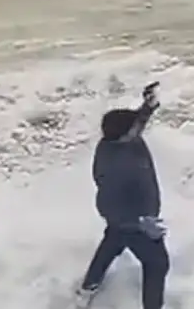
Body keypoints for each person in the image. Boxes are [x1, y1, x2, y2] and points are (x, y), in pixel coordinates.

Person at [76, 82, 169, 309]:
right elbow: (108, 206)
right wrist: (139, 223)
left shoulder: (121, 140)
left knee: (112, 241)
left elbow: (135, 121)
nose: (139, 128)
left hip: (129, 221)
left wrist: (148, 106)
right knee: (157, 264)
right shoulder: (114, 166)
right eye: (134, 127)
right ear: (123, 136)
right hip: (134, 222)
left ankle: (89, 286)